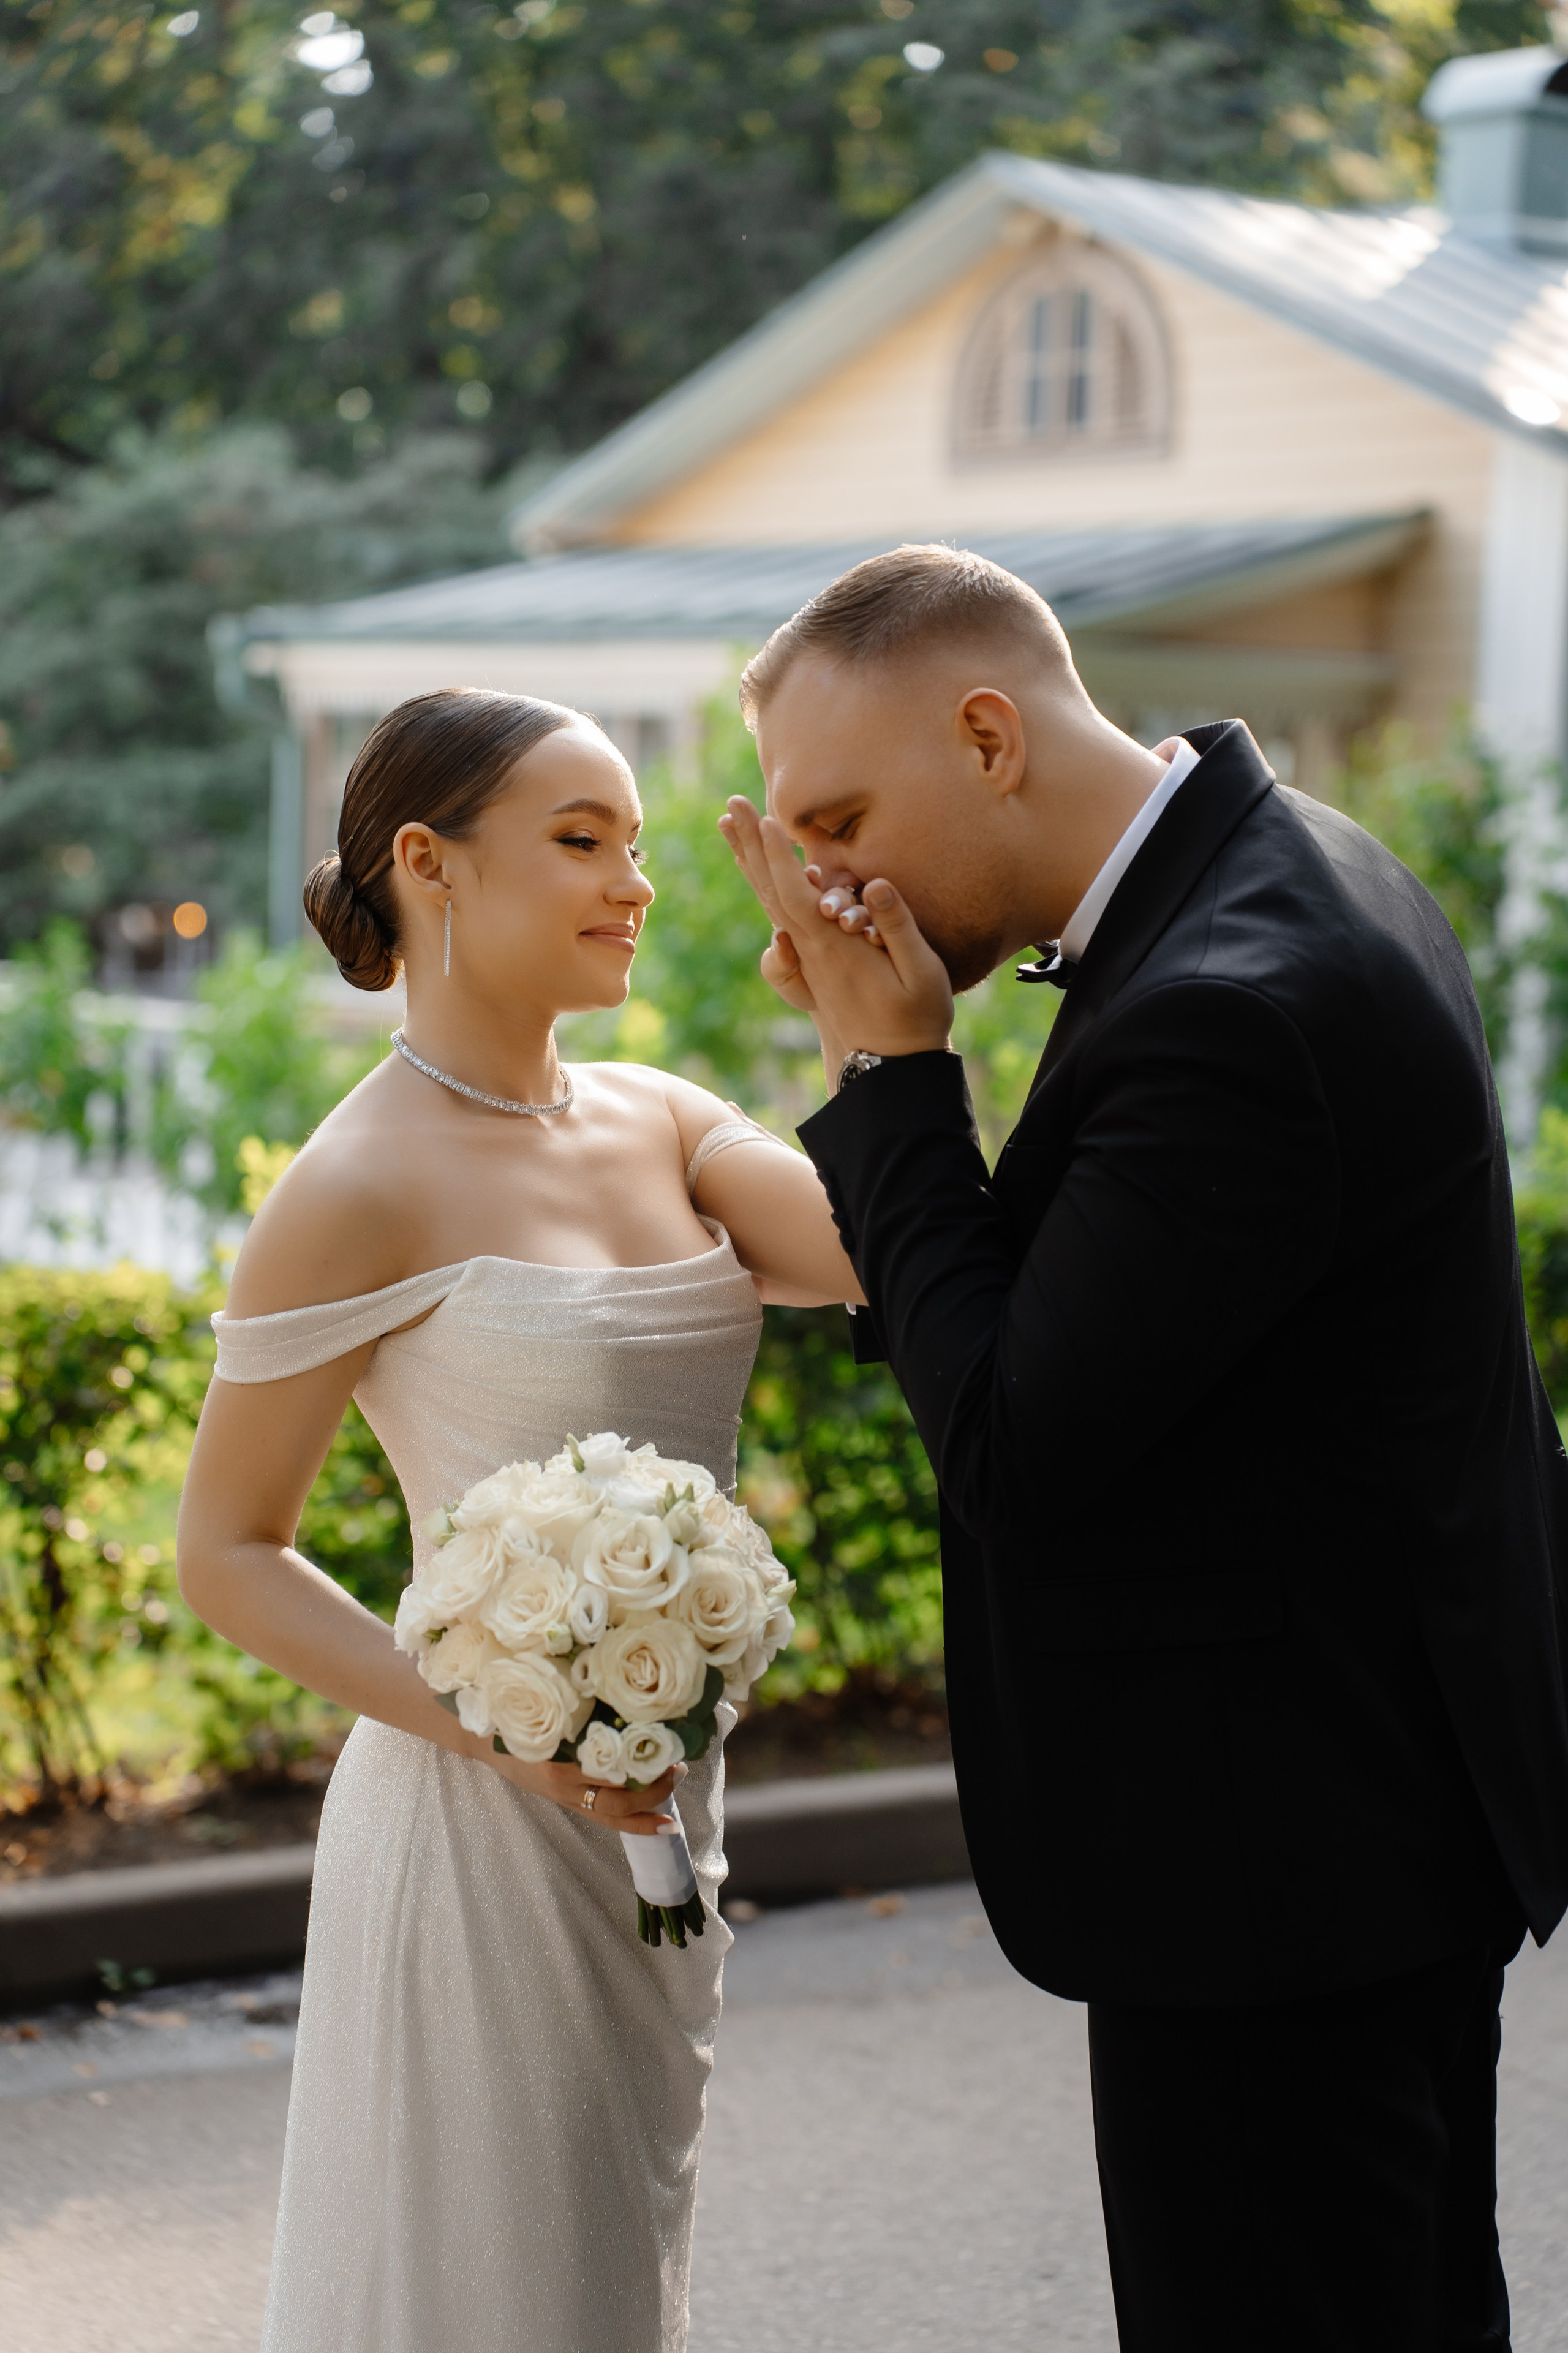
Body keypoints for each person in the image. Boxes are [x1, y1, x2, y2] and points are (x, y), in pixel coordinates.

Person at [720, 542, 1568, 2353]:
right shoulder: (1284, 870)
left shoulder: (1232, 999)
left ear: (988, 733)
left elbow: (1019, 1439)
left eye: (844, 814)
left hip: (1284, 1871)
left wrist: (892, 1088)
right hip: (1366, 1821)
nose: (826, 879)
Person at [175, 687, 859, 2353]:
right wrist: (504, 1727)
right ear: (430, 863)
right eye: (581, 841)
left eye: (635, 844)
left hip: (665, 1807)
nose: (635, 881)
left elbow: (880, 1254)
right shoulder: (352, 1184)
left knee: (618, 2272)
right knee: (504, 2289)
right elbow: (229, 1551)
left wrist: (857, 1015)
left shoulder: (673, 1118)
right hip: (475, 1820)